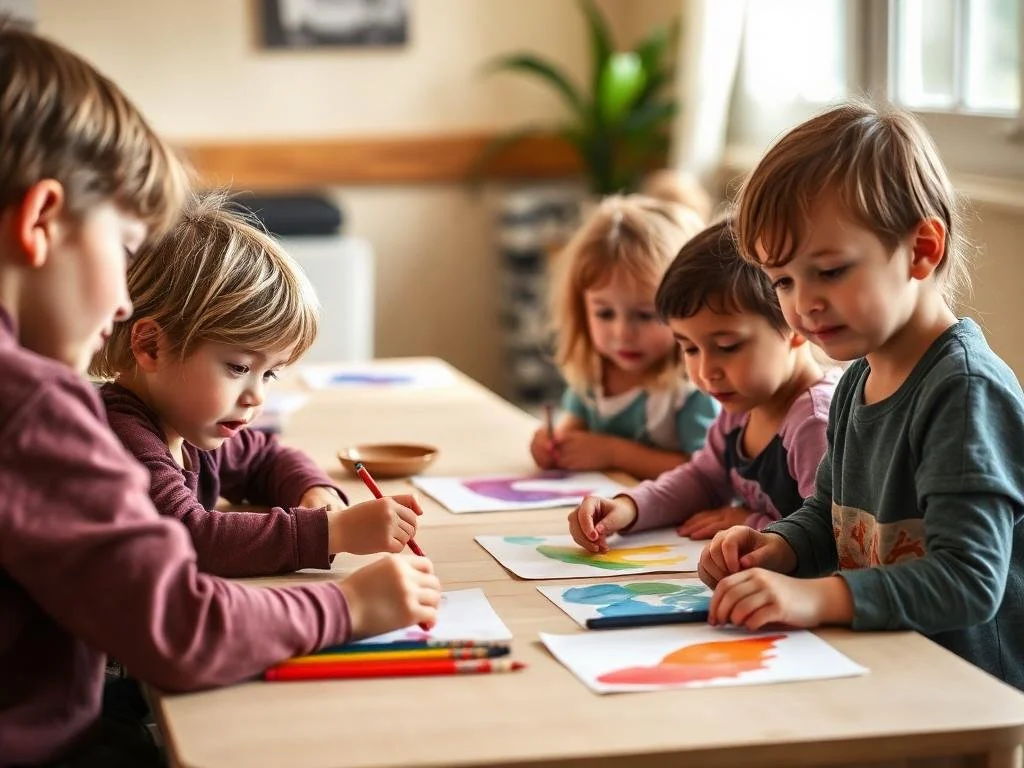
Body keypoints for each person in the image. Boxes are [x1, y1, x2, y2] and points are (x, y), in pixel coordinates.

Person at [0, 22, 440, 765]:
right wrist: (349, 603)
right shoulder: (34, 408)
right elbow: (182, 627)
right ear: (41, 221)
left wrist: (310, 500)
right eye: (126, 251)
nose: (120, 304)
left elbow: (260, 456)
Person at [700, 101, 1024, 692]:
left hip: (968, 698)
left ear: (922, 250)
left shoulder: (964, 392)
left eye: (829, 271)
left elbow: (968, 582)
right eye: (783, 281)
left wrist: (813, 598)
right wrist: (777, 549)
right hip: (887, 675)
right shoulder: (856, 379)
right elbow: (829, 517)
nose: (803, 305)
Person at [92, 194, 423, 577]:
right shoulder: (119, 437)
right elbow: (189, 540)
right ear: (151, 346)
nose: (256, 397)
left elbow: (266, 458)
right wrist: (334, 531)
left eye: (269, 374)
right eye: (238, 367)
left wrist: (315, 492)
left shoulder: (184, 425)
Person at [567, 219, 836, 548]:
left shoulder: (814, 424)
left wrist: (755, 523)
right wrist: (628, 507)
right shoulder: (741, 408)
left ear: (795, 325)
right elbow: (702, 479)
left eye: (727, 347)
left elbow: (834, 535)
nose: (707, 371)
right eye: (690, 348)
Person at [531, 194, 719, 480]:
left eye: (645, 315)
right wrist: (553, 444)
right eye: (605, 314)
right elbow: (573, 427)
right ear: (581, 311)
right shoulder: (594, 373)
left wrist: (613, 453)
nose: (622, 333)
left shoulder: (691, 391)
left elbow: (709, 473)